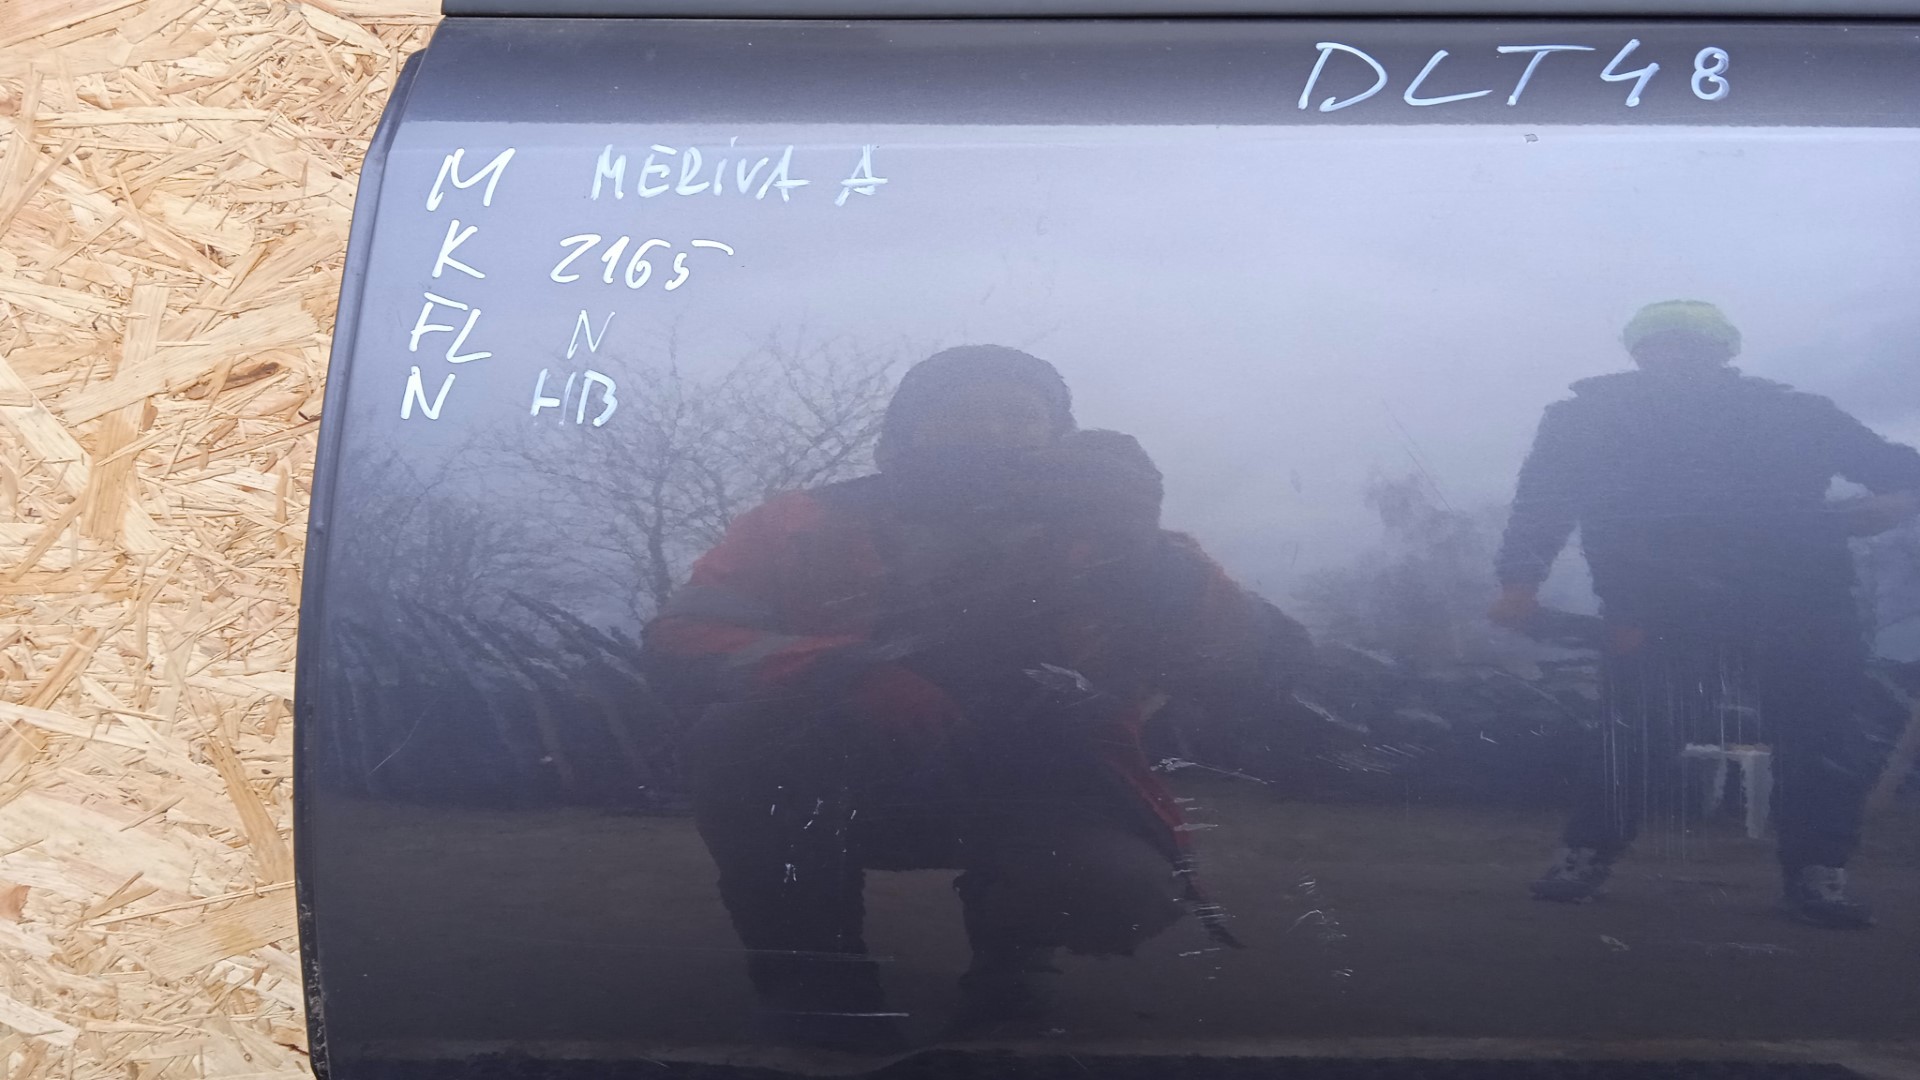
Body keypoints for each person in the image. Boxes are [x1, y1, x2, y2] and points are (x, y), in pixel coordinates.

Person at [643, 345, 1283, 1049]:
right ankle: (816, 987)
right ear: (903, 434)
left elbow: (1254, 658)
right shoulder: (800, 522)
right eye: (960, 413)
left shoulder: (1111, 535)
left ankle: (1013, 973)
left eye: (1021, 415)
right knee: (740, 740)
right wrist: (844, 673)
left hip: (1044, 785)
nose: (993, 430)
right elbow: (681, 636)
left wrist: (1150, 561)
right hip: (858, 777)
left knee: (1119, 889)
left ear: (1060, 436)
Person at [1491, 300, 1920, 928]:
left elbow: (1894, 467)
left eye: (1691, 344)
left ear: (1723, 353)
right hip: (1657, 604)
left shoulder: (1796, 412)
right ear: (1639, 353)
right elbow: (1542, 503)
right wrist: (1519, 582)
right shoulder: (1586, 419)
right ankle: (1586, 854)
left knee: (1821, 737)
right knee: (1634, 732)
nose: (1677, 355)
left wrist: (1897, 500)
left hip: (1799, 601)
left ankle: (1817, 871)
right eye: (1663, 344)